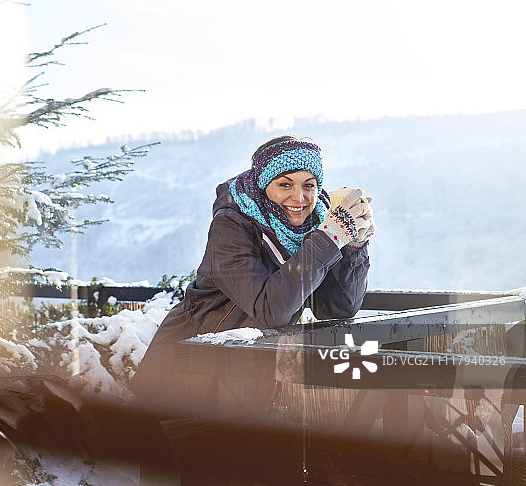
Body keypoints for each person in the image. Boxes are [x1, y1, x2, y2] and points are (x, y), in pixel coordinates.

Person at [131, 136, 375, 402]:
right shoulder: (231, 228)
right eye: (285, 184)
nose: (300, 197)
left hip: (246, 378)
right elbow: (270, 309)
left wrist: (352, 247)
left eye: (309, 185)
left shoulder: (316, 228)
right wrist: (327, 240)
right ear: (263, 186)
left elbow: (337, 308)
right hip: (184, 373)